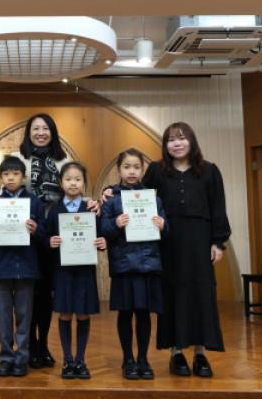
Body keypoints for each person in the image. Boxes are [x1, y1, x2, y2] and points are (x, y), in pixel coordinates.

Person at [0, 113, 98, 369]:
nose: (40, 133)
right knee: (30, 293)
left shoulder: (63, 159)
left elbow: (73, 185)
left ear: (52, 132)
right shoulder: (19, 157)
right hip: (23, 232)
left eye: (45, 128)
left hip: (54, 231)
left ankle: (43, 344)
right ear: (28, 132)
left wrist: (91, 202)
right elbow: (8, 187)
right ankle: (30, 346)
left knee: (45, 293)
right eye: (35, 128)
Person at [143, 122, 230, 378]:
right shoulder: (156, 170)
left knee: (201, 294)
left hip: (200, 242)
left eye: (181, 138)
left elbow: (218, 208)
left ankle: (200, 353)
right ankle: (176, 353)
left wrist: (218, 242)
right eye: (171, 140)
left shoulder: (210, 171)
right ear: (165, 145)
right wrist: (108, 193)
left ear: (191, 141)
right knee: (172, 294)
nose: (177, 144)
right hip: (168, 242)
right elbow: (137, 196)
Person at [100, 149, 167, 380]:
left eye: (136, 167)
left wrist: (163, 225)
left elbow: (166, 230)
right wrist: (115, 223)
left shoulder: (153, 199)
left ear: (142, 170)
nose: (131, 171)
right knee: (125, 313)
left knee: (144, 314)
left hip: (148, 264)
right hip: (124, 266)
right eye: (127, 167)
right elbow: (102, 230)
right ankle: (128, 359)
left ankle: (143, 359)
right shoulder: (110, 199)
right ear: (119, 170)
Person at [0, 155, 46, 377]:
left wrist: (36, 229)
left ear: (24, 177)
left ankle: (21, 358)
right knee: (3, 317)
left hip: (27, 268)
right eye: (6, 174)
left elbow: (44, 234)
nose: (10, 178)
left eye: (15, 174)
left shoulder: (34, 202)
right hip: (2, 268)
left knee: (24, 316)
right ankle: (5, 358)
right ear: (1, 177)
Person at [46, 162, 106, 380]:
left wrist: (102, 243)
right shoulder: (54, 211)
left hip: (84, 271)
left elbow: (101, 234)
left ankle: (80, 359)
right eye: (68, 179)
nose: (73, 183)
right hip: (62, 272)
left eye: (78, 179)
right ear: (61, 183)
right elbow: (45, 237)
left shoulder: (92, 209)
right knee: (64, 313)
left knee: (82, 313)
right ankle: (67, 360)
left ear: (84, 183)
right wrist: (49, 242)